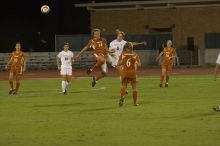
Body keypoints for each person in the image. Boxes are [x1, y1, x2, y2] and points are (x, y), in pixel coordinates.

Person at [118, 42, 141, 107]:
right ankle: (135, 103)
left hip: (125, 72)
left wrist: (123, 62)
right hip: (132, 72)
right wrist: (135, 63)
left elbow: (119, 64)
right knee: (134, 87)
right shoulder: (135, 55)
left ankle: (122, 96)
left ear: (125, 48)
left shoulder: (122, 55)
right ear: (131, 48)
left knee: (124, 86)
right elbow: (139, 64)